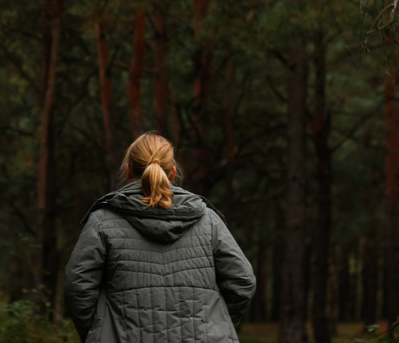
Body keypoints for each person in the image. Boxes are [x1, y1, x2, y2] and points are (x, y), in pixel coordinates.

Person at [64, 133, 256, 343]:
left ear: (128, 170)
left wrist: (101, 331)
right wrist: (215, 325)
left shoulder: (102, 220)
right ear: (172, 172)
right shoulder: (208, 220)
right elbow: (243, 281)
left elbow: (77, 286)